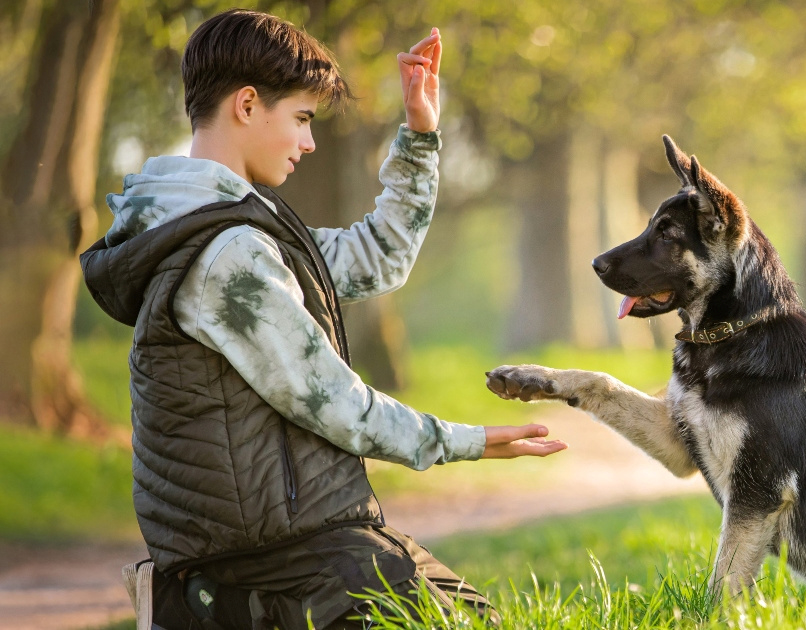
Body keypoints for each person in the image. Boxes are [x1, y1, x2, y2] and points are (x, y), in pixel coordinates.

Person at [80, 9, 567, 630]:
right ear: (248, 105)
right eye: (302, 119)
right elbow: (334, 402)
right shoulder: (224, 255)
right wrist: (466, 441)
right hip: (266, 566)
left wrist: (419, 136)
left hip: (299, 541)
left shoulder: (234, 227)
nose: (309, 142)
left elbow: (375, 260)